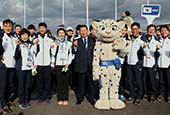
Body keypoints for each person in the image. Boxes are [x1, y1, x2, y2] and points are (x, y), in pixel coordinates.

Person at [73, 25, 95, 105]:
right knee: (80, 84)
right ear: (79, 32)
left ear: (87, 31)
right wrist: (74, 46)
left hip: (90, 66)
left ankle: (91, 98)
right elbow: (73, 52)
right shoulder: (76, 41)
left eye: (84, 30)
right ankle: (80, 98)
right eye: (81, 31)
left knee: (90, 84)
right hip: (80, 66)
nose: (83, 32)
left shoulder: (93, 40)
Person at [0, 19, 19, 114]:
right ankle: (3, 104)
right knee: (3, 86)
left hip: (12, 64)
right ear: (3, 27)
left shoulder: (14, 37)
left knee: (10, 85)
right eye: (6, 26)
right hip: (3, 65)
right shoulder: (1, 36)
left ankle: (7, 100)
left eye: (10, 26)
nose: (8, 28)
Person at [33, 22, 54, 103]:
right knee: (39, 82)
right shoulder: (35, 39)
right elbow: (33, 52)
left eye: (43, 28)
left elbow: (53, 52)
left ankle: (48, 97)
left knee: (48, 81)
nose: (42, 29)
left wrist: (52, 62)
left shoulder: (50, 39)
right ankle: (41, 97)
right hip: (38, 64)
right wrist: (36, 44)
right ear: (38, 29)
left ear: (46, 29)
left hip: (47, 64)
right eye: (40, 28)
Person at [51, 28, 74, 105]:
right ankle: (60, 98)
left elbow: (71, 54)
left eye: (62, 33)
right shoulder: (55, 43)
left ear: (65, 34)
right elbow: (53, 54)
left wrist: (68, 63)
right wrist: (55, 45)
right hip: (58, 65)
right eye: (59, 33)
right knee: (59, 82)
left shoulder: (69, 43)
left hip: (66, 65)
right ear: (57, 34)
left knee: (66, 82)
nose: (61, 34)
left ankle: (65, 98)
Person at [14, 28, 35, 109]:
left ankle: (26, 100)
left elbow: (33, 55)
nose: (25, 36)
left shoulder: (31, 44)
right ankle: (21, 101)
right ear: (20, 36)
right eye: (23, 35)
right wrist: (17, 46)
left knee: (27, 85)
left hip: (29, 68)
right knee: (21, 85)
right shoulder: (19, 45)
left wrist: (33, 66)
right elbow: (16, 56)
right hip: (21, 68)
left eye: (26, 35)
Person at [125, 22, 145, 105]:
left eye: (136, 29)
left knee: (138, 81)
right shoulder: (129, 39)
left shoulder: (142, 39)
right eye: (133, 29)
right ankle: (132, 95)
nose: (134, 31)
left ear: (139, 29)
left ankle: (139, 96)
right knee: (129, 81)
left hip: (137, 64)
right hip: (129, 64)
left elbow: (145, 51)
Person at [142, 24, 161, 102]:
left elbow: (159, 53)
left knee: (152, 80)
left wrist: (157, 50)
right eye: (150, 29)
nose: (151, 31)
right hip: (143, 63)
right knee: (144, 80)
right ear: (147, 30)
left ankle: (152, 94)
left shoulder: (157, 41)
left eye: (153, 30)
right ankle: (145, 93)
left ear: (155, 31)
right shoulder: (142, 39)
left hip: (152, 63)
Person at [157, 25, 170, 102]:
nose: (163, 32)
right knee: (161, 81)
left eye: (165, 30)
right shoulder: (158, 41)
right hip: (159, 64)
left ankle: (168, 95)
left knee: (168, 81)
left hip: (168, 64)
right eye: (162, 30)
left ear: (168, 31)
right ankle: (161, 93)